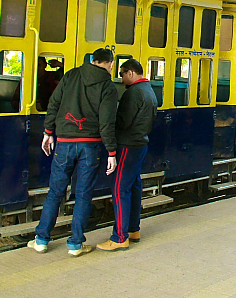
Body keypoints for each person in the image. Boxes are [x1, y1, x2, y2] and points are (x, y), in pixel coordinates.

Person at [29, 48, 119, 257]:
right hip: (90, 145)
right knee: (83, 195)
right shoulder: (108, 87)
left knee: (55, 192)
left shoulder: (71, 75)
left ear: (92, 60)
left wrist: (48, 132)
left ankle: (41, 240)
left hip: (65, 142)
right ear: (110, 64)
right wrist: (112, 152)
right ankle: (76, 244)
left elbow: (54, 103)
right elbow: (107, 123)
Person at [97, 59, 158, 252]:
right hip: (140, 145)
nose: (121, 79)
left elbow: (122, 122)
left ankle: (120, 237)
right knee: (134, 187)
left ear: (131, 73)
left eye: (122, 74)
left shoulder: (133, 93)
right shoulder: (149, 90)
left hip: (127, 147)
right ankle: (133, 230)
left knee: (120, 190)